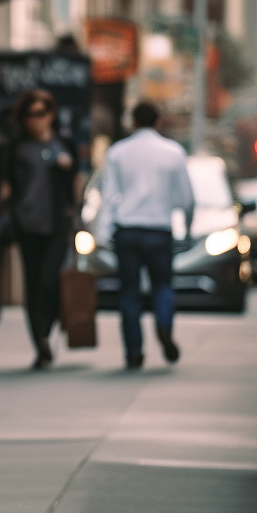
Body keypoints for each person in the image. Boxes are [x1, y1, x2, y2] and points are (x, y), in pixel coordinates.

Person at [97, 101, 194, 368]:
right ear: (158, 121)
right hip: (159, 230)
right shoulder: (173, 152)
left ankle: (133, 352)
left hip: (127, 230)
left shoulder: (118, 152)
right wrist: (186, 227)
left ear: (132, 122)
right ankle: (163, 325)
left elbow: (109, 196)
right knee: (162, 285)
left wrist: (103, 233)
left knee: (129, 292)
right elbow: (186, 198)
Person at [0, 89, 77, 369]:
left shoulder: (64, 142)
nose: (37, 120)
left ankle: (48, 327)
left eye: (42, 113)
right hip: (28, 224)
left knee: (50, 279)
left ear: (51, 114)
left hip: (57, 223)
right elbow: (6, 184)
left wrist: (67, 169)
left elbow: (74, 185)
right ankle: (40, 341)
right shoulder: (16, 147)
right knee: (33, 284)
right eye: (31, 115)